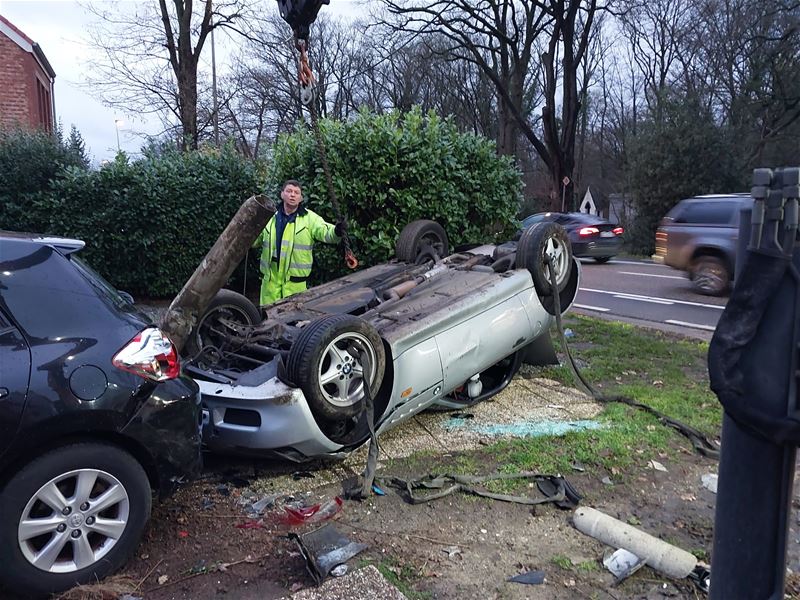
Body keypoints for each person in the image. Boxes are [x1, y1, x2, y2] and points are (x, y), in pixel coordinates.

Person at [253, 179, 346, 305]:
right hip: (269, 288)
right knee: (267, 323)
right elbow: (254, 241)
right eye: (289, 191)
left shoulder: (309, 219)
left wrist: (337, 231)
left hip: (295, 288)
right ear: (282, 194)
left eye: (296, 192)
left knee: (292, 323)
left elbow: (326, 233)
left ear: (301, 198)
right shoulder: (269, 218)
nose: (292, 195)